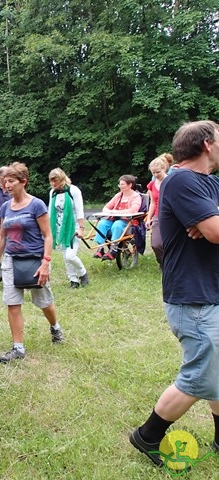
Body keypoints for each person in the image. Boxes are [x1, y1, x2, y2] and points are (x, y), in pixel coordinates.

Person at [129, 120, 219, 468]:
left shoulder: (209, 182)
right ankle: (148, 435)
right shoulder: (181, 179)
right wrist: (209, 223)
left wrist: (210, 221)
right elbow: (214, 232)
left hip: (208, 291)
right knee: (200, 375)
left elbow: (211, 227)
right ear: (207, 144)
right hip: (192, 297)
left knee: (216, 371)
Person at [0, 162, 64, 363]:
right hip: (11, 260)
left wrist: (46, 262)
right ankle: (18, 348)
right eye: (5, 181)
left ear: (24, 181)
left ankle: (55, 327)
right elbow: (2, 237)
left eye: (11, 181)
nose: (6, 185)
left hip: (34, 260)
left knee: (44, 302)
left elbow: (48, 236)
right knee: (12, 304)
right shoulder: (5, 207)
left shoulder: (36, 205)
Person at [48, 168, 89, 288]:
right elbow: (50, 211)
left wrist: (81, 228)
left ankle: (83, 273)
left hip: (73, 227)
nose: (53, 184)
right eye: (51, 181)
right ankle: (73, 280)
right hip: (59, 228)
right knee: (65, 256)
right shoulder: (53, 192)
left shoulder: (73, 190)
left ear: (62, 179)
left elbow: (80, 210)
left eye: (55, 181)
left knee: (70, 255)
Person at [92, 174, 142, 261]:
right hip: (114, 219)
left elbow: (133, 210)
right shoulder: (118, 195)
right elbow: (106, 208)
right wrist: (110, 211)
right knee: (102, 223)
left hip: (128, 221)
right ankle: (100, 248)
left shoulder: (135, 196)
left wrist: (117, 212)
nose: (120, 186)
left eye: (122, 184)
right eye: (119, 184)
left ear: (130, 185)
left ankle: (113, 249)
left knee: (117, 224)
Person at [145, 155, 171, 269]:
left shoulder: (172, 181)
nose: (155, 175)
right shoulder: (151, 184)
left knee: (171, 243)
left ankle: (173, 265)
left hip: (172, 216)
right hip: (157, 216)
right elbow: (153, 203)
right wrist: (149, 218)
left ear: (164, 169)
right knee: (156, 244)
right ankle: (163, 264)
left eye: (158, 172)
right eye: (153, 173)